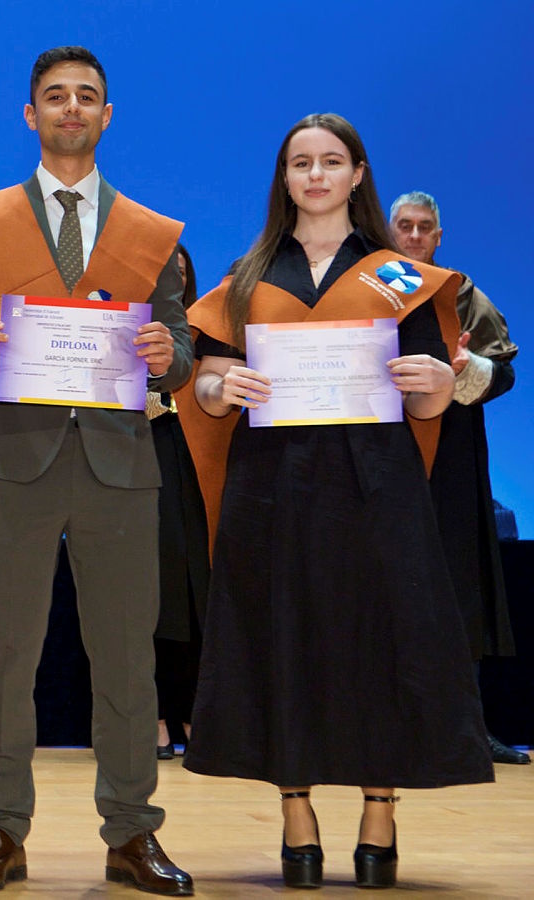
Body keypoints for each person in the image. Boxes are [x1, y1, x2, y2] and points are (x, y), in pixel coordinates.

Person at [180, 114, 494, 890]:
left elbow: (427, 407)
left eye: (330, 162)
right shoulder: (249, 275)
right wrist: (224, 385)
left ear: (358, 175)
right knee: (283, 637)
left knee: (377, 641)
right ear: (283, 180)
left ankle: (380, 814)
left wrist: (440, 388)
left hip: (376, 487)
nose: (315, 175)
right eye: (299, 164)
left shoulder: (397, 275)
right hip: (272, 485)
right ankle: (297, 818)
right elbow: (207, 388)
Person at [0, 46, 195, 896]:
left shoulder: (152, 236)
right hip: (13, 462)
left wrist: (167, 355)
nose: (71, 108)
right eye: (55, 97)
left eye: (87, 97)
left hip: (119, 466)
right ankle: (0, 832)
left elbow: (182, 350)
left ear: (107, 115)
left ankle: (131, 834)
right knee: (3, 659)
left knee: (125, 660)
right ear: (30, 115)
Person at [388, 191, 526, 766]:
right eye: (405, 226)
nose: (416, 236)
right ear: (389, 230)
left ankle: (468, 728)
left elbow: (505, 371)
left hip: (452, 457)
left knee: (459, 585)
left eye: (425, 228)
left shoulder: (462, 293)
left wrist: (471, 370)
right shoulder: (367, 286)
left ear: (438, 237)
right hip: (385, 453)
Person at [150, 244, 209, 761]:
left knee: (198, 596)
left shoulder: (207, 325)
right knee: (152, 593)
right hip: (147, 460)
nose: (175, 276)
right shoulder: (137, 328)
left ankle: (195, 710)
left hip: (198, 466)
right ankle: (155, 717)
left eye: (182, 270)